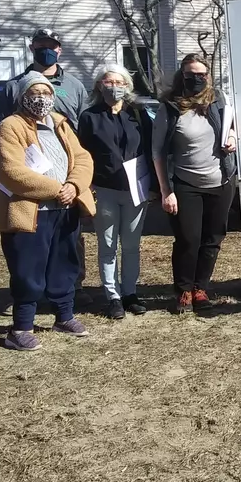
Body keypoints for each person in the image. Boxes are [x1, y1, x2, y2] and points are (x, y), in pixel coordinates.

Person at [0, 73, 96, 351]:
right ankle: (21, 328)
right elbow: (10, 170)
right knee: (28, 270)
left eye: (46, 93)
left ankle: (64, 317)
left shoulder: (60, 124)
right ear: (23, 96)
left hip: (64, 208)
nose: (41, 98)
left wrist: (74, 186)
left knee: (64, 265)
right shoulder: (11, 126)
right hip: (31, 211)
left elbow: (83, 158)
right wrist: (56, 188)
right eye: (35, 92)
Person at [0, 28, 91, 302]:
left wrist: (80, 178)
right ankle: (31, 295)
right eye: (41, 45)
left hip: (67, 174)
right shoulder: (14, 86)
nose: (46, 49)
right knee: (29, 237)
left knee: (70, 237)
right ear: (32, 47)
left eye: (51, 45)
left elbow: (84, 130)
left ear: (59, 49)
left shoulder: (74, 86)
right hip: (28, 176)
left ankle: (73, 288)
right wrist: (0, 177)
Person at [152, 54, 237, 314]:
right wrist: (167, 191)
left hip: (221, 181)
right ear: (182, 76)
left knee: (213, 238)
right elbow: (157, 152)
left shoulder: (218, 101)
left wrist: (233, 135)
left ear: (208, 76)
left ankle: (201, 288)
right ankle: (183, 291)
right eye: (191, 75)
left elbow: (232, 126)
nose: (197, 79)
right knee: (189, 239)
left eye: (202, 75)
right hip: (186, 184)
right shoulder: (170, 107)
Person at [78, 64, 155, 320]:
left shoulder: (138, 114)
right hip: (104, 189)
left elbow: (151, 148)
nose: (115, 87)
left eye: (120, 82)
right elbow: (83, 155)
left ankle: (130, 293)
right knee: (108, 245)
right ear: (100, 85)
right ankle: (113, 296)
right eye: (109, 82)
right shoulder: (89, 117)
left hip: (135, 188)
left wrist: (153, 185)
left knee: (131, 245)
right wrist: (86, 187)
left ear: (127, 86)